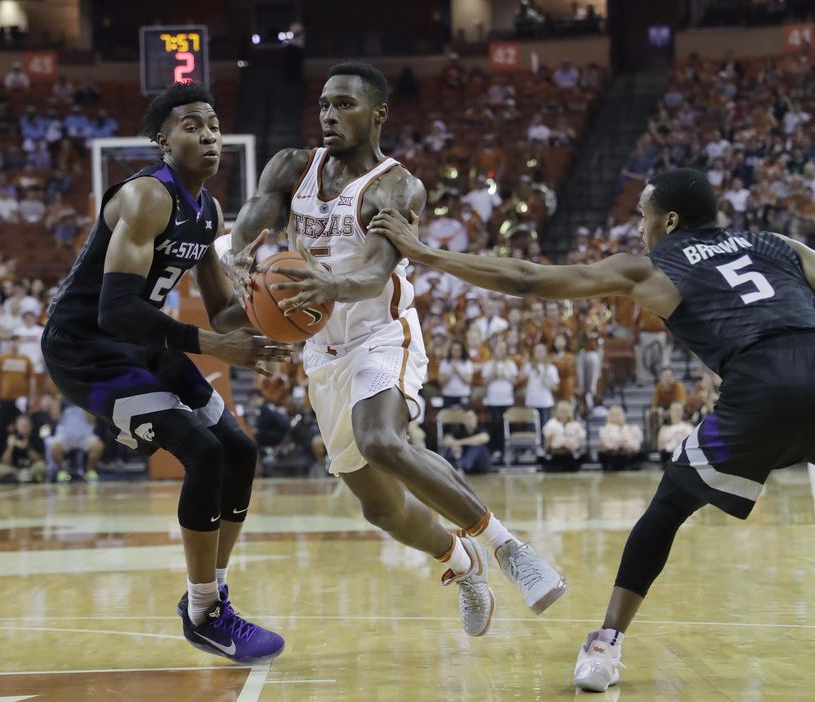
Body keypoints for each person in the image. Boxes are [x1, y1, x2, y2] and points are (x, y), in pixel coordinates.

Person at [369, 166, 815, 692]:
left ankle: (605, 644)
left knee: (670, 506)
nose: (639, 228)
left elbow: (528, 280)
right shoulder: (779, 244)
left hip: (759, 391)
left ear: (670, 221)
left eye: (644, 216)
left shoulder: (651, 267)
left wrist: (425, 254)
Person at [224, 62, 566, 639]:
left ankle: (508, 549)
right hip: (322, 353)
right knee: (379, 508)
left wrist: (332, 285)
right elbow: (251, 221)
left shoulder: (396, 186)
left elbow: (378, 272)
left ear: (378, 113)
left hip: (381, 334)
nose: (330, 115)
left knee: (383, 439)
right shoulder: (291, 166)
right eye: (325, 104)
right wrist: (238, 254)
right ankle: (461, 564)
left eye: (345, 105)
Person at [40, 83, 290, 663]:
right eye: (191, 125)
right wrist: (212, 345)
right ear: (162, 139)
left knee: (240, 450)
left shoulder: (209, 212)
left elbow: (222, 308)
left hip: (143, 343)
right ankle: (205, 614)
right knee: (201, 452)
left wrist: (269, 310)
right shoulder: (147, 197)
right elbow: (115, 310)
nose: (207, 134)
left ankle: (212, 594)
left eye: (213, 125)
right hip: (87, 350)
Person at [0, 414, 46, 483]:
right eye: (21, 426)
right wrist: (10, 447)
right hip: (16, 470)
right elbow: (5, 462)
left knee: (41, 466)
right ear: (17, 427)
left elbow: (39, 459)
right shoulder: (12, 438)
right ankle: (20, 477)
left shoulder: (36, 439)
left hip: (31, 468)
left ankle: (27, 477)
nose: (24, 429)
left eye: (26, 426)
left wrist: (27, 448)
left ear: (31, 426)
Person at [442, 409, 492, 474]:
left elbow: (485, 438)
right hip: (466, 464)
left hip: (481, 465)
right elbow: (446, 440)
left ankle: (462, 467)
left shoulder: (481, 428)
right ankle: (450, 468)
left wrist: (459, 442)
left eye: (471, 417)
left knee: (477, 447)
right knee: (450, 448)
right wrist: (454, 444)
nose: (469, 420)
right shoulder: (459, 430)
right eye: (466, 418)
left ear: (476, 418)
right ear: (463, 420)